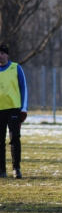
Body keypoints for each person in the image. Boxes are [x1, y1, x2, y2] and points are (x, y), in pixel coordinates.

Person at [0, 44, 28, 179]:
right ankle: (1, 170)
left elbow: (24, 88)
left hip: (13, 109)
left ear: (7, 55)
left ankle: (16, 168)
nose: (0, 55)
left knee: (14, 139)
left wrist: (24, 108)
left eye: (2, 53)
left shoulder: (16, 68)